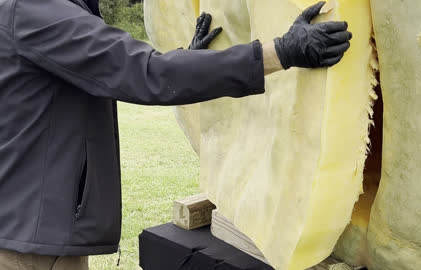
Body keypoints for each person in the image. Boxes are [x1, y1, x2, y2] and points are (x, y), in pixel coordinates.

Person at [0, 0, 351, 269]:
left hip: (30, 228)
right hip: (30, 243)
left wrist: (189, 62)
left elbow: (113, 70)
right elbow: (143, 73)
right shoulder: (34, 10)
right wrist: (281, 52)